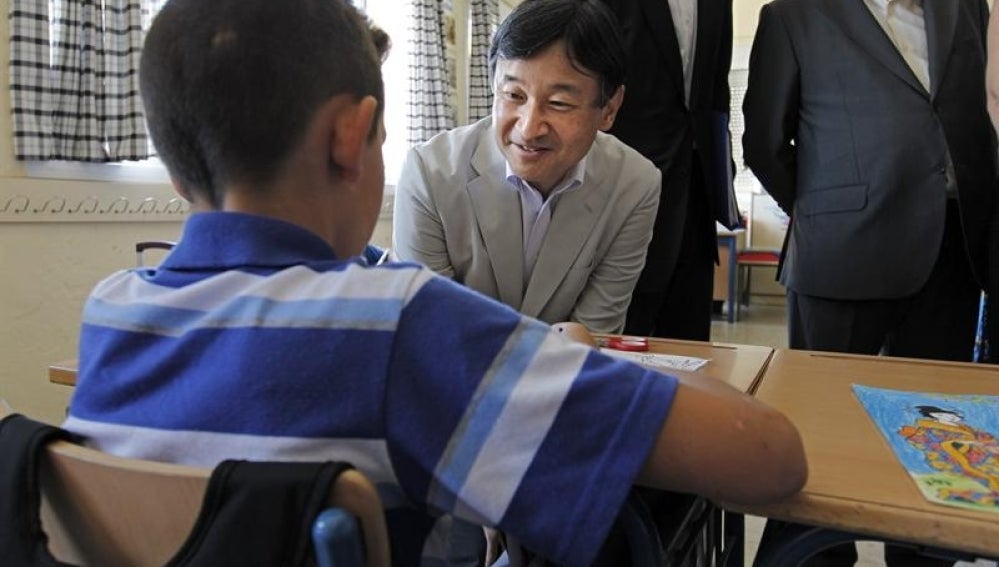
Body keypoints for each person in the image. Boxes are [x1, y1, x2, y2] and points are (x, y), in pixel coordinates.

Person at [63, 0, 807, 566]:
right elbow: (768, 455)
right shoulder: (398, 327)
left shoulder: (110, 313)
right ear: (352, 136)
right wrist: (585, 356)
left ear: (171, 159)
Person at [743, 0, 995, 564]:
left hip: (950, 251)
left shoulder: (965, 9)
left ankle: (924, 554)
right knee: (822, 436)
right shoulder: (794, 17)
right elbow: (762, 142)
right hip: (841, 255)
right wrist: (823, 214)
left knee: (938, 435)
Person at [392, 0, 660, 334]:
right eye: (513, 95)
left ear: (609, 108)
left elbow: (593, 336)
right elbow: (430, 330)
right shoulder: (430, 175)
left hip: (568, 381)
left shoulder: (634, 185)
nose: (529, 128)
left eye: (559, 103)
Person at [597, 0, 735, 341]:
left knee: (691, 348)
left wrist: (721, 174)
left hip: (695, 200)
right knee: (621, 345)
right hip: (618, 193)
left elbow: (717, 92)